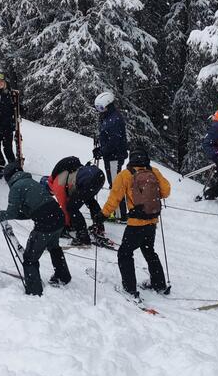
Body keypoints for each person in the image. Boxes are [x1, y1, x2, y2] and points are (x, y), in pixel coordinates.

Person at [98, 144, 171, 298]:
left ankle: (130, 289)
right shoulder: (154, 172)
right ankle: (159, 284)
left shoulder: (125, 175)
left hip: (136, 223)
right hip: (152, 221)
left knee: (124, 254)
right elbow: (166, 192)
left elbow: (114, 199)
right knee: (149, 251)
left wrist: (103, 215)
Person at [0, 161, 71, 296]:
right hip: (58, 217)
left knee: (29, 258)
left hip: (45, 224)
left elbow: (12, 213)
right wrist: (13, 215)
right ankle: (63, 276)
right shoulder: (31, 182)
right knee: (53, 246)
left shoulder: (16, 188)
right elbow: (32, 211)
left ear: (8, 177)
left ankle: (34, 291)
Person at [44, 156, 106, 245]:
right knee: (90, 200)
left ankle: (83, 237)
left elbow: (65, 207)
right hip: (98, 174)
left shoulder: (56, 184)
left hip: (87, 180)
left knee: (71, 208)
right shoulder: (62, 173)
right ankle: (99, 227)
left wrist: (67, 225)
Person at [92, 91, 128, 221]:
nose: (99, 111)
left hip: (114, 157)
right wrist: (100, 149)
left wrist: (102, 151)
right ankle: (118, 212)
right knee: (114, 183)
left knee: (115, 184)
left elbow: (114, 141)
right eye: (98, 108)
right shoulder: (109, 117)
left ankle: (119, 214)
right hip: (111, 155)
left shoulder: (114, 120)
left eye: (101, 108)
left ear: (108, 104)